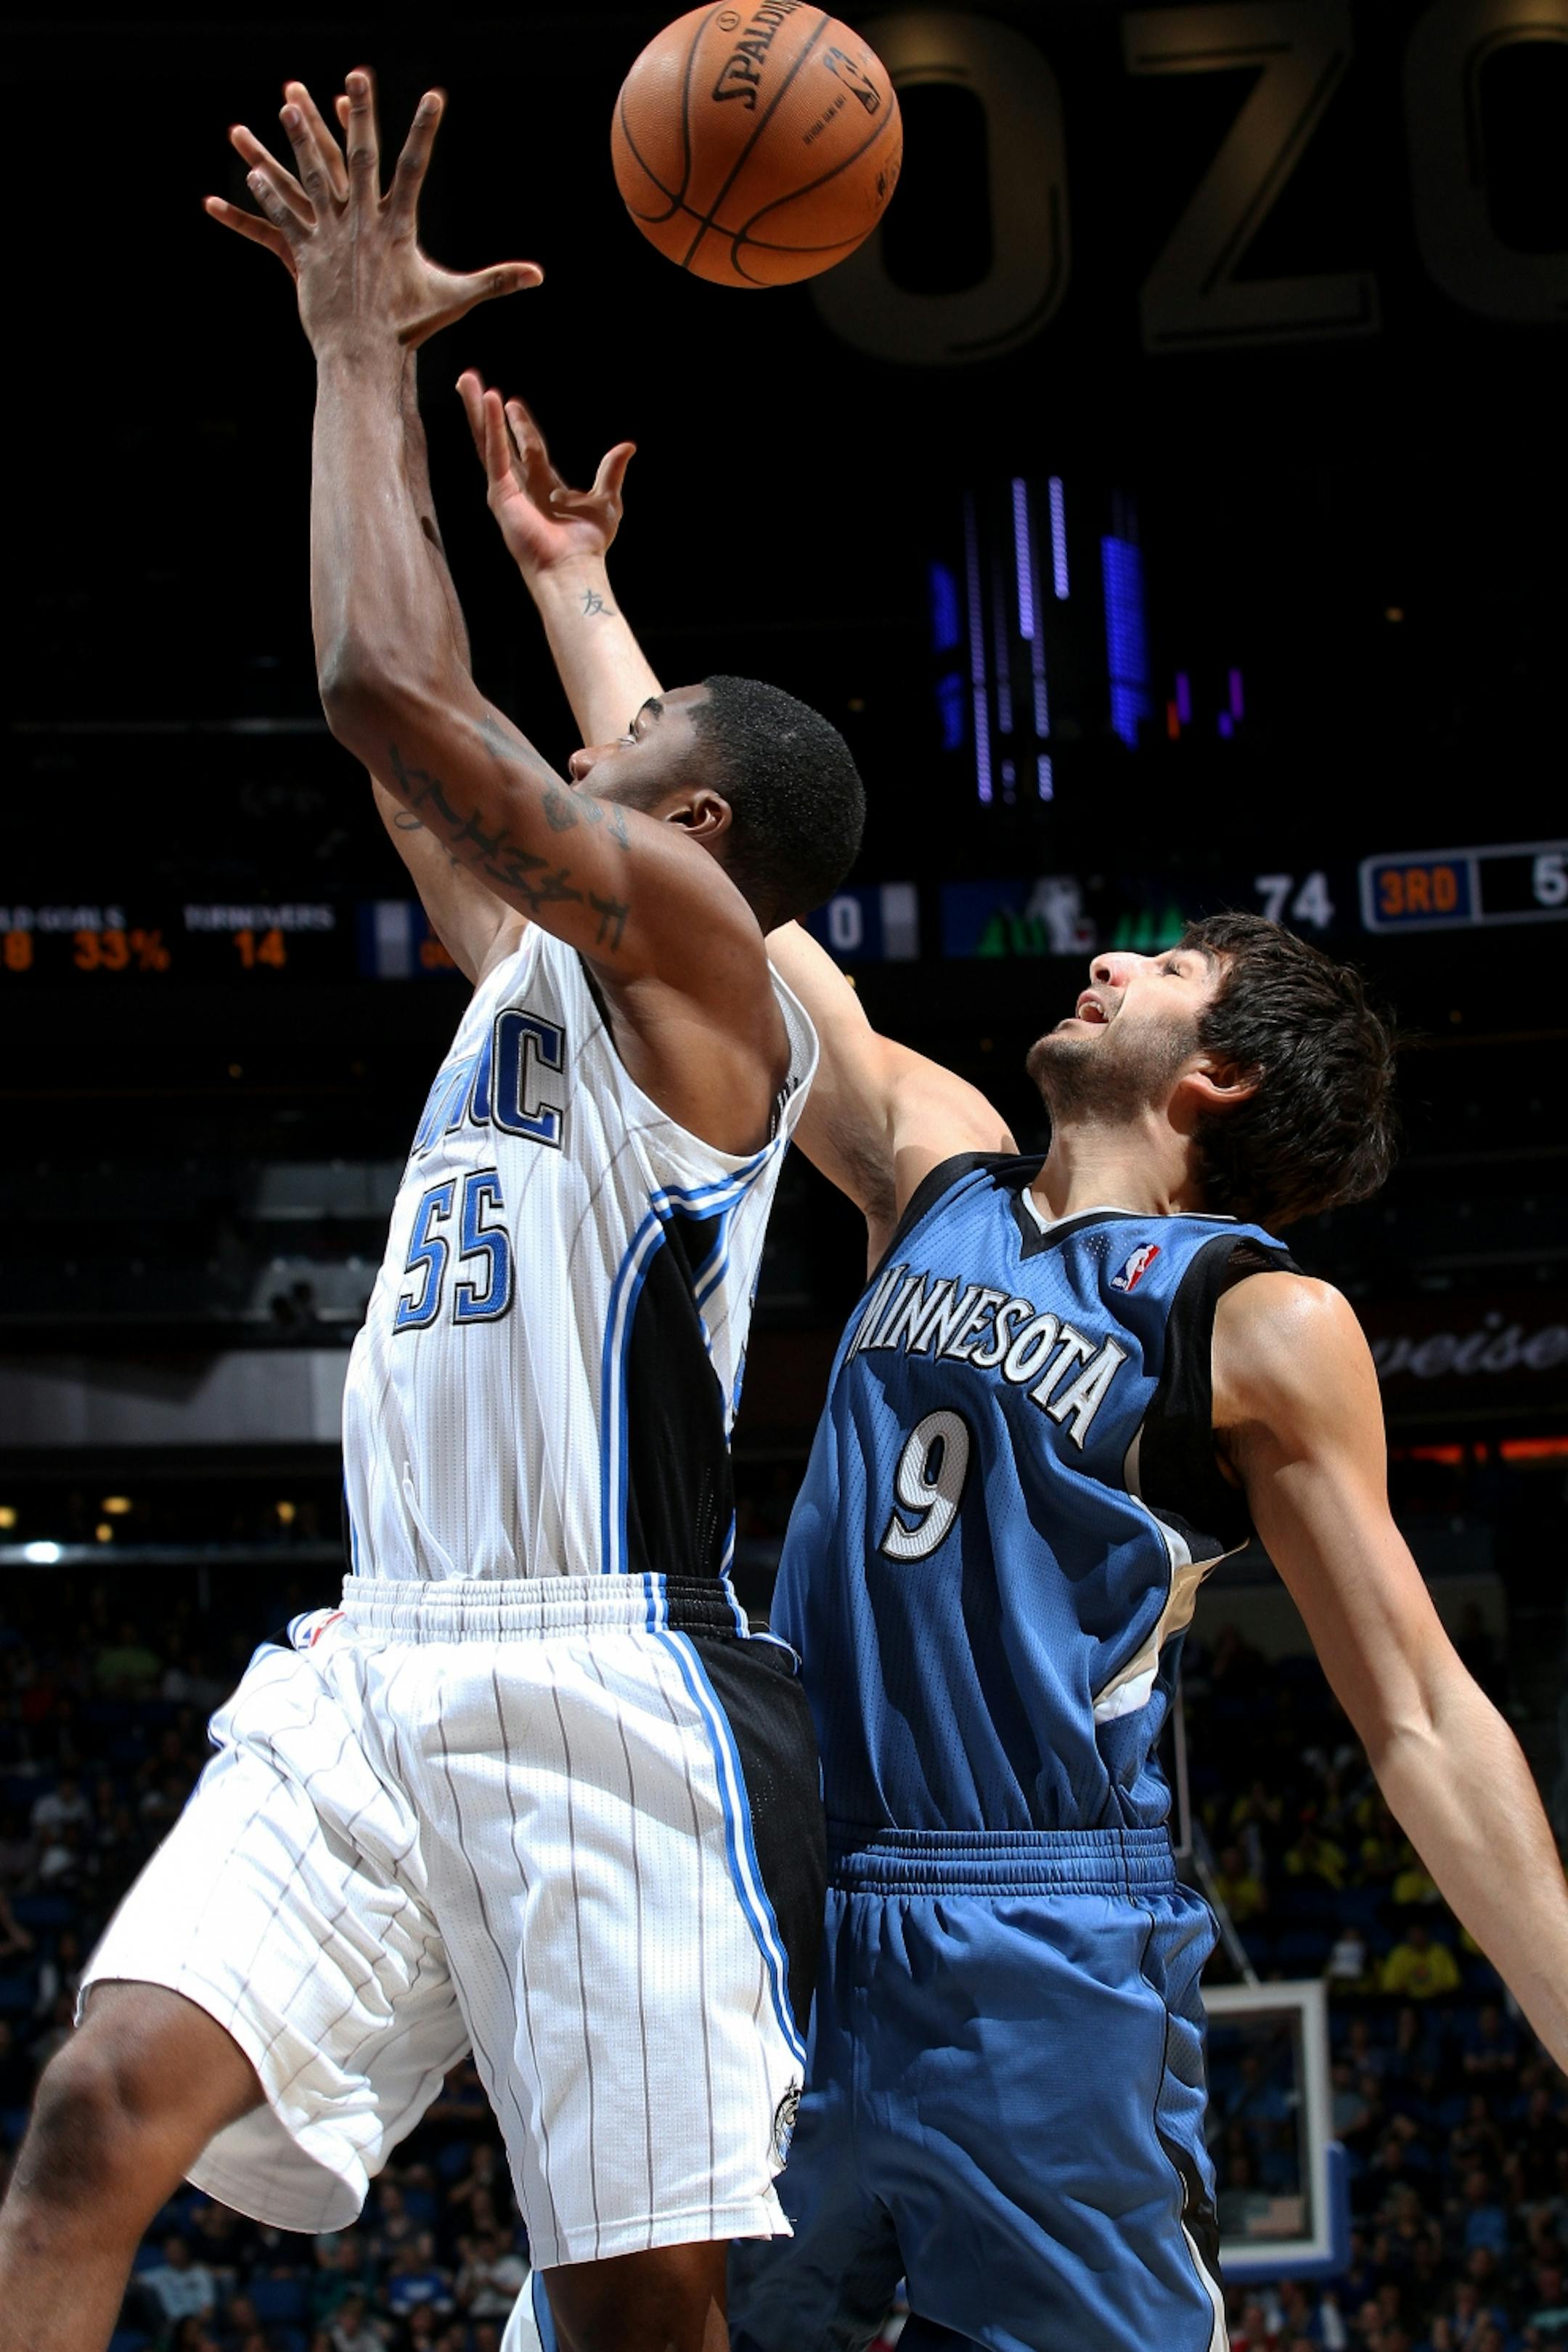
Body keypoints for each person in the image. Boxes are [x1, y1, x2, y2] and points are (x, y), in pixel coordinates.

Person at [467, 388, 1568, 2352]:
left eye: (1162, 975)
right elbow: (738, 916)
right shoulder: (930, 1169)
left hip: (1040, 1940)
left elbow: (1414, 1711)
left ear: (1219, 1077)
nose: (1107, 967)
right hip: (789, 1906)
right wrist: (576, 586)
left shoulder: (1252, 1315)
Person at [0, 73, 867, 2352]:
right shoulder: (540, 980)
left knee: (637, 2316)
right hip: (386, 1656)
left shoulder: (702, 986)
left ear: (695, 831)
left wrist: (354, 347)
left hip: (615, 1693)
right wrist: (539, 557)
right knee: (99, 2111)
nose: (595, 736)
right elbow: (411, 744)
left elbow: (395, 693)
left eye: (635, 725)